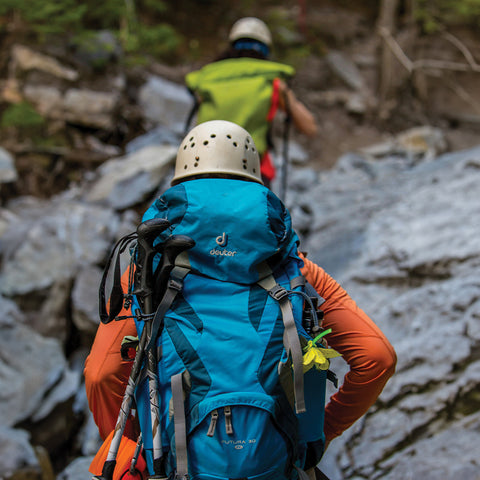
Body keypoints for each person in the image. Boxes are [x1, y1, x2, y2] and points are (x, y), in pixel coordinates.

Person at [85, 120, 396, 479]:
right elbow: (377, 358)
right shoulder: (296, 270)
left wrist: (131, 444)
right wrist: (320, 432)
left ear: (182, 177)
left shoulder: (147, 273)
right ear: (254, 178)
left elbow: (101, 374)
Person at [184, 17, 317, 187]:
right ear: (266, 49)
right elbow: (309, 128)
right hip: (251, 174)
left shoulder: (207, 79)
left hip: (202, 168)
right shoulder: (272, 82)